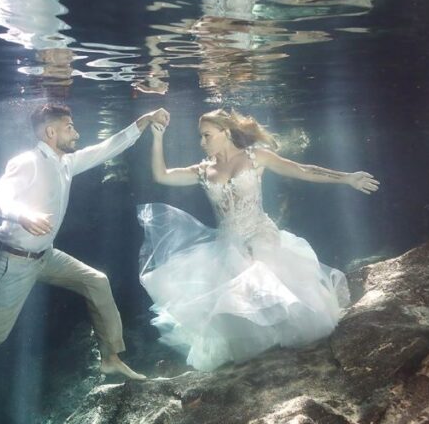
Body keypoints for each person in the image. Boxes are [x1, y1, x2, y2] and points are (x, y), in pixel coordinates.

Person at [0, 103, 170, 380]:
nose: (76, 133)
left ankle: (110, 357)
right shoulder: (27, 162)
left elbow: (107, 148)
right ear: (51, 132)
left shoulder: (66, 162)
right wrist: (23, 214)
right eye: (70, 127)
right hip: (12, 262)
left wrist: (144, 121)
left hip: (45, 256)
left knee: (96, 281)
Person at [138, 109, 379, 371]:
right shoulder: (203, 170)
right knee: (233, 289)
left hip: (260, 233)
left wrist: (347, 178)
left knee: (258, 266)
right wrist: (157, 138)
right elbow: (161, 175)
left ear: (226, 133)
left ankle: (289, 346)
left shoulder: (255, 157)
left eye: (206, 135)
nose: (202, 142)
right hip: (227, 242)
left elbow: (302, 169)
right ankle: (261, 356)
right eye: (201, 137)